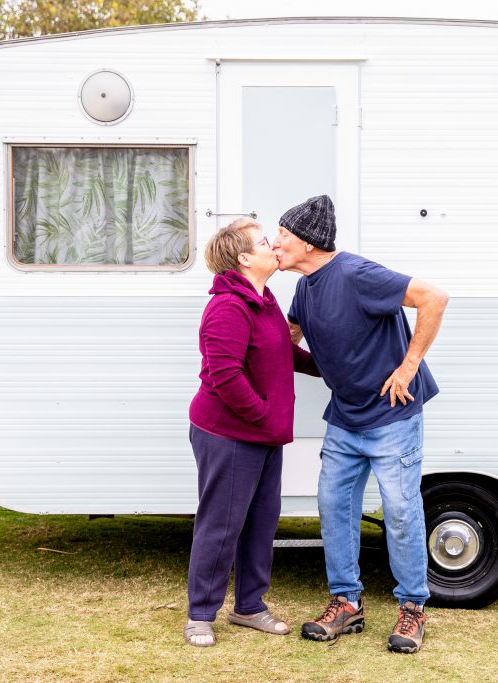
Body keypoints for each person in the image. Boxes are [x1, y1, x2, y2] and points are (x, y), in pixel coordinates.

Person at [272, 195, 448, 654]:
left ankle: (412, 609)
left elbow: (434, 297)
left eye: (283, 236)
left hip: (393, 417)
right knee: (333, 507)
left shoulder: (355, 273)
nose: (275, 244)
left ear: (308, 242)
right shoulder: (305, 287)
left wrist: (408, 367)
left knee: (402, 512)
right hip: (346, 419)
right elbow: (289, 342)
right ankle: (346, 603)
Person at [184, 218, 319, 647]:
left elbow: (283, 351)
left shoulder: (264, 300)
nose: (273, 246)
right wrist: (262, 414)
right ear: (244, 258)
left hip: (262, 433)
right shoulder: (228, 306)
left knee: (261, 522)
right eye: (264, 242)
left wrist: (332, 369)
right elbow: (223, 374)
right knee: (222, 524)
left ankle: (249, 607)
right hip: (229, 433)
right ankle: (201, 615)